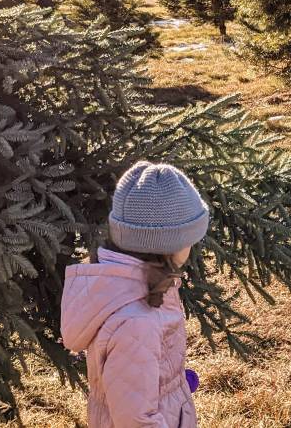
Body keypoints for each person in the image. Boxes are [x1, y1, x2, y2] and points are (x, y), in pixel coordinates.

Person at [61, 161, 206, 427]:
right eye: (189, 241)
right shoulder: (136, 322)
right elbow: (135, 420)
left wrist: (172, 385)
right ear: (165, 246)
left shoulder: (135, 287)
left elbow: (134, 381)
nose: (191, 249)